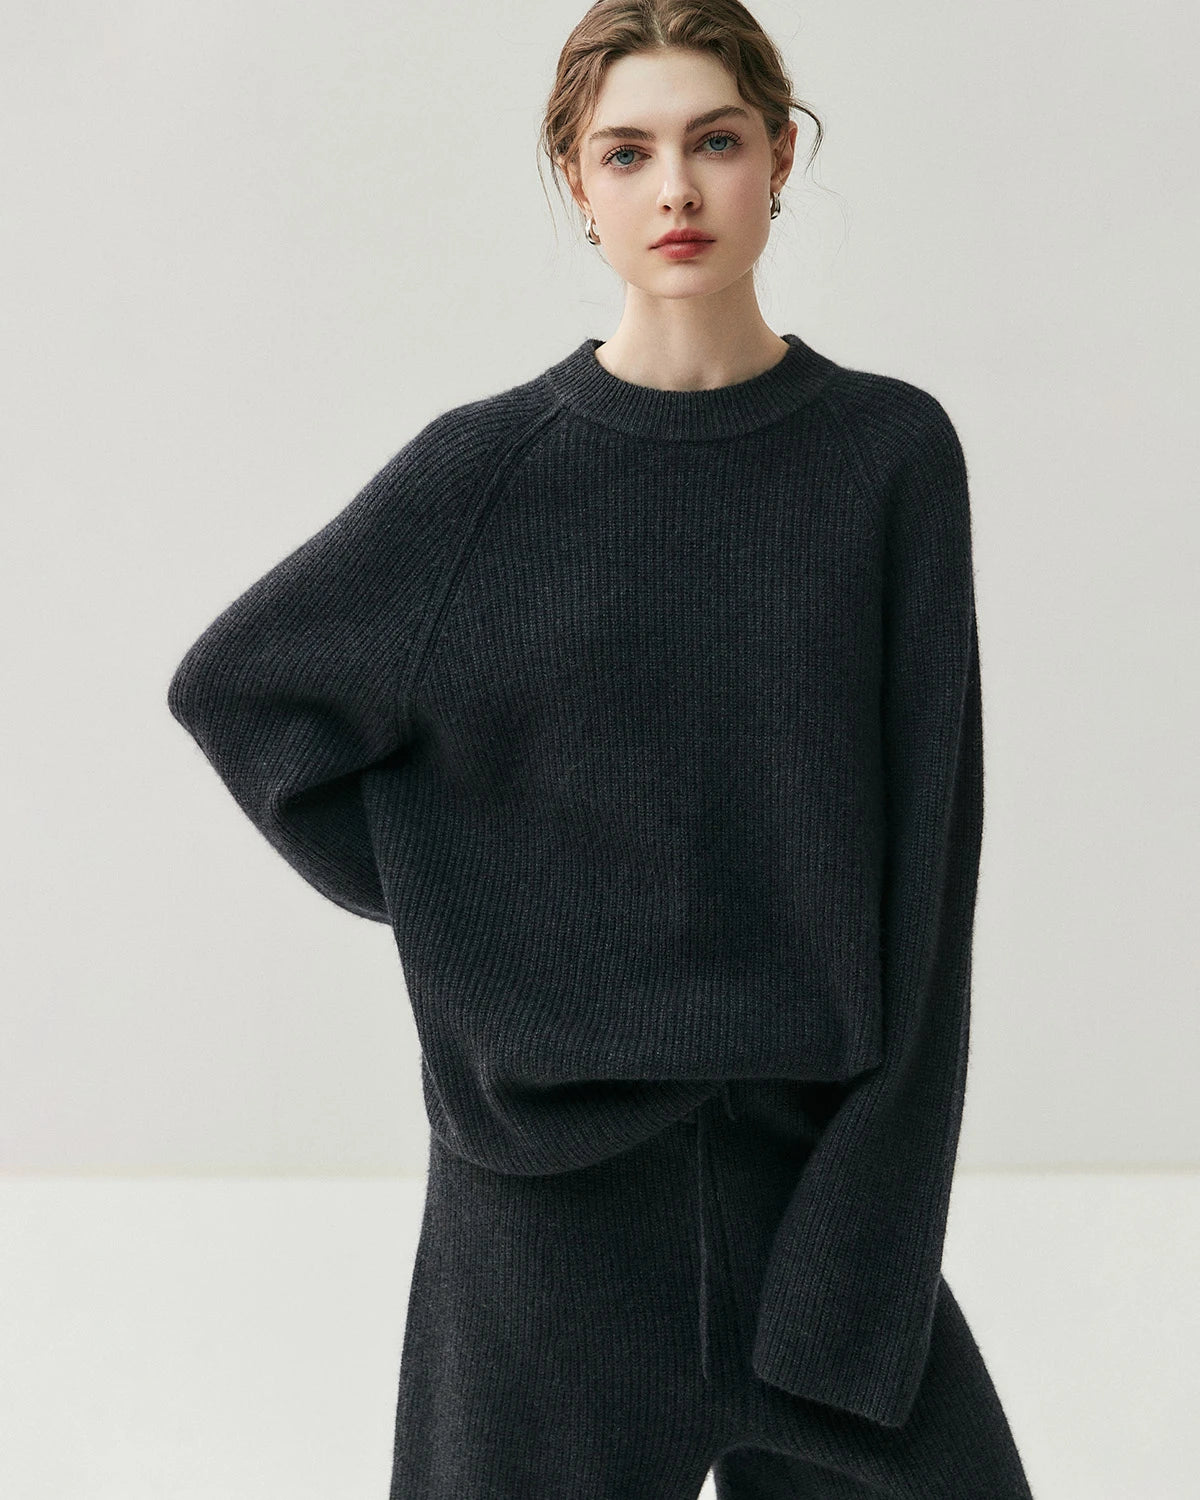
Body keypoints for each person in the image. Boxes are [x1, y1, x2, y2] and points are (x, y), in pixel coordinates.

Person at [166, 2, 1035, 1495]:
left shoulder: (886, 457)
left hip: (809, 1188)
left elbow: (929, 869)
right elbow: (242, 692)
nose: (675, 189)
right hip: (539, 1219)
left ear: (781, 156)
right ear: (576, 181)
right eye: (627, 152)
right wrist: (470, 907)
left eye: (715, 140)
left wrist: (876, 1218)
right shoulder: (485, 473)